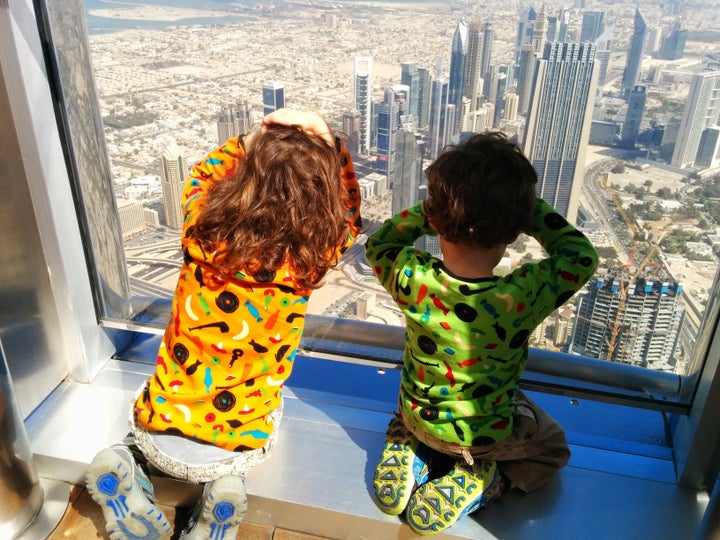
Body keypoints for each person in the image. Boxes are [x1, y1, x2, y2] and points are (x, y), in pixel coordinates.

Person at [86, 109, 361, 540]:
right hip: (239, 442)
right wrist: (332, 147)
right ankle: (221, 493)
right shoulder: (310, 259)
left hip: (162, 429)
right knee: (266, 401)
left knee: (153, 403)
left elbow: (199, 175)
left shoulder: (201, 233)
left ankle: (131, 462)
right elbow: (350, 213)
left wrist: (249, 142)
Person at [364, 131, 598, 536]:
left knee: (426, 397)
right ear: (513, 232)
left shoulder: (413, 277)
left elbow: (380, 244)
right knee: (551, 445)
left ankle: (408, 442)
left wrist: (431, 210)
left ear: (436, 220)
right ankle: (485, 478)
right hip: (479, 438)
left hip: (418, 414)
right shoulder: (521, 295)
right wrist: (526, 210)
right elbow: (581, 256)